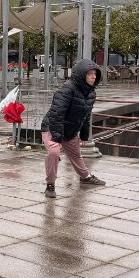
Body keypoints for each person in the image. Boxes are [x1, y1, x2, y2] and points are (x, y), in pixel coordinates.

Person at [40, 59, 106, 198]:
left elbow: (86, 115)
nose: (94, 77)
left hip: (69, 130)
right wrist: (56, 138)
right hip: (52, 128)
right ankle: (50, 185)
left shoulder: (91, 93)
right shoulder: (67, 90)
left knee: (76, 155)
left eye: (95, 74)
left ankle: (85, 177)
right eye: (90, 74)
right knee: (53, 153)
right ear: (82, 75)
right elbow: (57, 114)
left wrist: (84, 135)